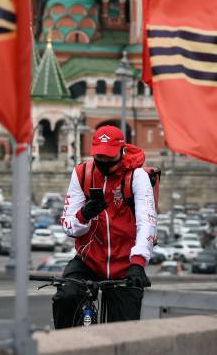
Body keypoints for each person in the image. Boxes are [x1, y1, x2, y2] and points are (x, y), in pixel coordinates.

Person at [55, 125, 155, 327]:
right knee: (65, 297)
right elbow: (68, 225)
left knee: (125, 330)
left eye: (110, 157)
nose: (104, 162)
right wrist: (85, 214)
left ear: (122, 150)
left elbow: (147, 221)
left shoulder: (137, 176)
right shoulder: (82, 173)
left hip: (126, 264)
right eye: (99, 157)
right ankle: (62, 344)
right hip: (88, 260)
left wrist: (138, 263)